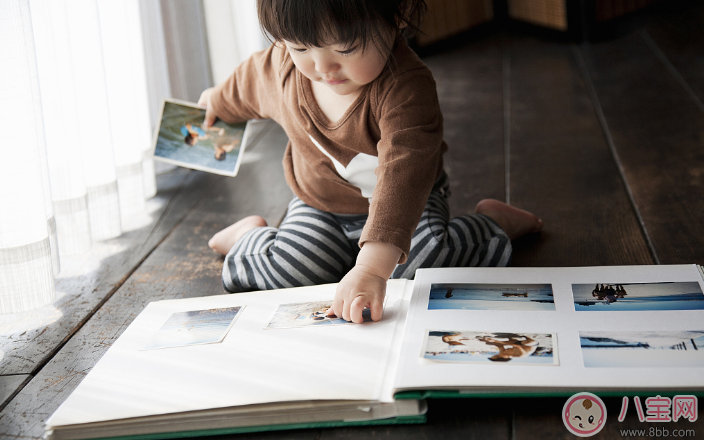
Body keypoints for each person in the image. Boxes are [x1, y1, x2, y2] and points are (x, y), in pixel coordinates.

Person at [202, 0, 543, 324]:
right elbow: (246, 84)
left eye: (345, 48)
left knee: (424, 265)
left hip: (409, 205)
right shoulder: (282, 69)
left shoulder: (406, 89)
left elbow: (403, 179)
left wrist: (371, 270)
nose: (322, 67)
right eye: (301, 47)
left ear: (395, 18)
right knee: (294, 269)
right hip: (322, 206)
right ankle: (248, 236)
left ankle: (492, 225)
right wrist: (217, 102)